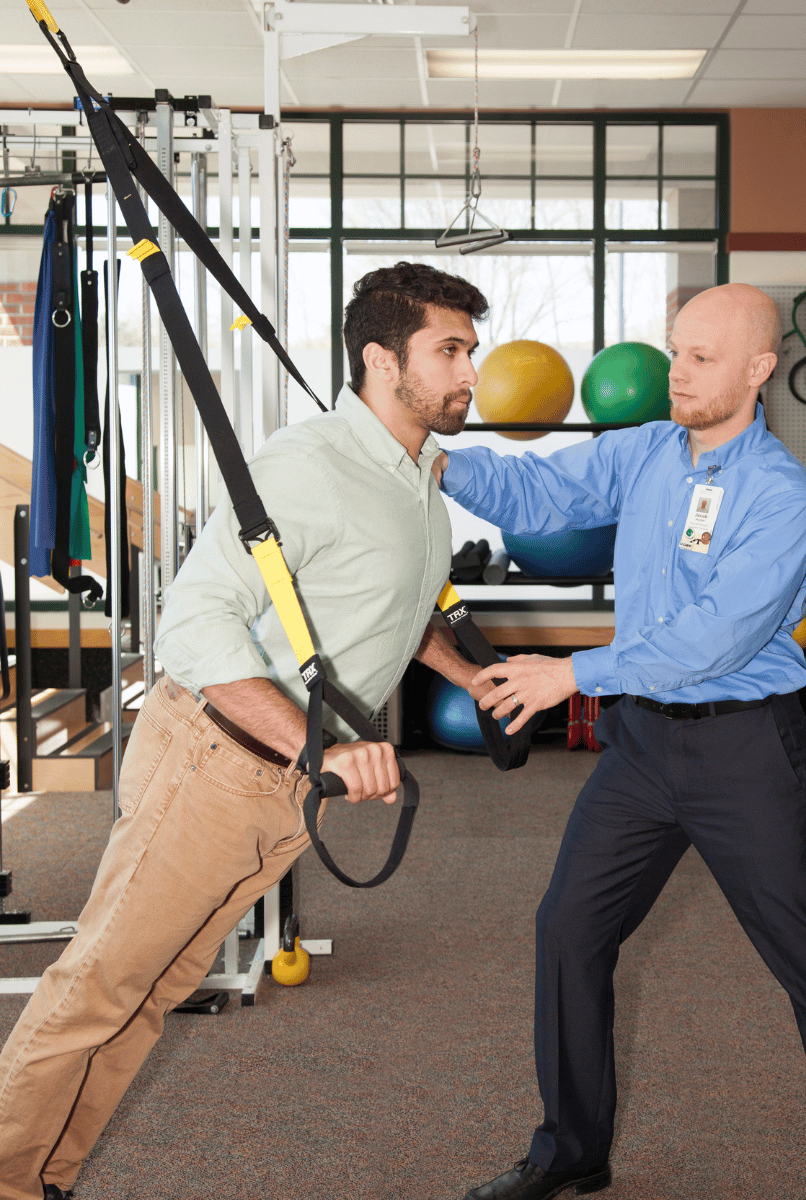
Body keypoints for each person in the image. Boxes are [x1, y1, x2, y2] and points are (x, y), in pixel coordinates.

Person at [0, 262, 494, 1200]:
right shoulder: (310, 465)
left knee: (147, 998)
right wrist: (325, 747)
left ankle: (42, 1179)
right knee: (97, 989)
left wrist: (469, 672)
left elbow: (388, 601)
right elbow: (194, 624)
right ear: (382, 360)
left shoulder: (414, 478)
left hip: (281, 787)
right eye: (450, 350)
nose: (471, 371)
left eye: (471, 348)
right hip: (216, 762)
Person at [437, 284, 806, 1200]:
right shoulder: (649, 451)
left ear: (759, 370)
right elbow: (537, 493)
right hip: (642, 754)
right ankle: (571, 1152)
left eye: (701, 357)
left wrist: (566, 675)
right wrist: (436, 461)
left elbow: (714, 638)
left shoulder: (782, 501)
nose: (677, 373)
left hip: (742, 755)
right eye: (675, 351)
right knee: (569, 931)